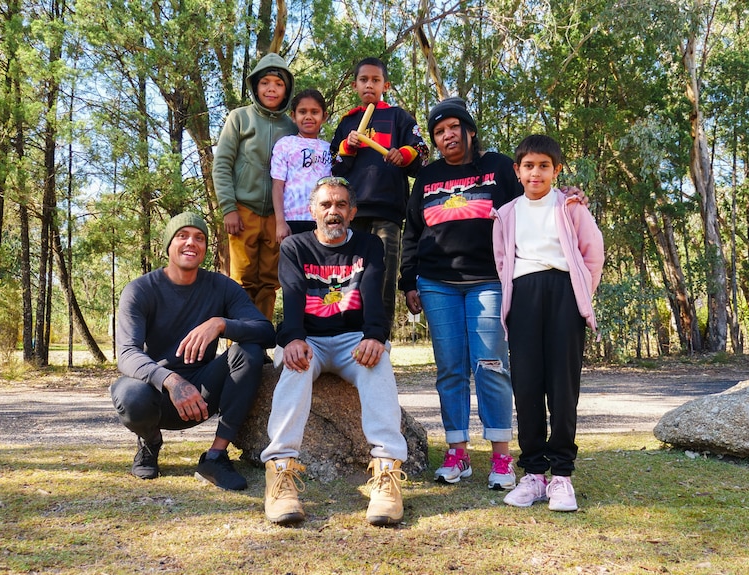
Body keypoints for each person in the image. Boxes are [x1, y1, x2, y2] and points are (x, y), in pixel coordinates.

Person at [260, 177, 408, 527]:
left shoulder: (370, 245)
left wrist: (375, 336)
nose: (333, 211)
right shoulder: (295, 247)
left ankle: (387, 475)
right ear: (312, 211)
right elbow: (292, 297)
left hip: (352, 340)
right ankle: (280, 474)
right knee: (295, 369)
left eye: (341, 204)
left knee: (377, 365)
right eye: (325, 204)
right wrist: (293, 338)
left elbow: (376, 295)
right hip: (308, 339)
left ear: (352, 212)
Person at [399, 97, 519, 490]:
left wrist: (565, 198)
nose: (447, 135)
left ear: (469, 130)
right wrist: (408, 280)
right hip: (436, 284)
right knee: (450, 368)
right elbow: (412, 232)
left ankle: (502, 457)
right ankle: (458, 452)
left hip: (488, 280)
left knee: (490, 363)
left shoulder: (498, 167)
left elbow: (527, 206)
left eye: (453, 127)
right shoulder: (428, 176)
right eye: (438, 131)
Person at [111, 212, 276, 491]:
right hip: (158, 395)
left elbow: (266, 331)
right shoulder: (140, 290)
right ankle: (150, 443)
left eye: (199, 238)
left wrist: (221, 324)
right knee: (129, 394)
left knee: (250, 351)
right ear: (168, 245)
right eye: (182, 236)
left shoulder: (221, 287)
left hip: (204, 393)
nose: (191, 242)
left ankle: (215, 456)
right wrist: (170, 380)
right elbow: (127, 353)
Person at [492, 135, 604, 511]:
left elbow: (592, 253)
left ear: (557, 170)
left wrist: (579, 295)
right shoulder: (507, 213)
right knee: (526, 385)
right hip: (523, 297)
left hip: (564, 297)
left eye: (544, 166)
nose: (535, 173)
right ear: (517, 171)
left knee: (562, 385)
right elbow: (503, 261)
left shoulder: (570, 207)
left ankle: (562, 477)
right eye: (528, 166)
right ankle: (534, 474)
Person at [330, 57, 428, 336]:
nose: (369, 85)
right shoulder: (347, 122)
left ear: (386, 85)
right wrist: (346, 149)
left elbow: (420, 152)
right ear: (355, 85)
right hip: (351, 212)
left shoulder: (399, 117)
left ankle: (379, 338)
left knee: (382, 276)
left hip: (388, 211)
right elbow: (333, 166)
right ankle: (347, 336)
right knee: (348, 275)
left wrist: (404, 154)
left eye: (375, 80)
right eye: (364, 80)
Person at [213, 52, 296, 322]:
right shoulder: (239, 118)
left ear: (286, 90)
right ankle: (237, 344)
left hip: (277, 215)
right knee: (241, 279)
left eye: (278, 83)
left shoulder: (291, 127)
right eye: (265, 83)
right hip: (243, 210)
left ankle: (260, 342)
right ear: (255, 86)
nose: (271, 88)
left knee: (270, 280)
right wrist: (228, 208)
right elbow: (222, 164)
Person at [271, 88, 332, 242]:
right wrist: (280, 222)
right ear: (293, 116)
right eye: (302, 112)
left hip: (322, 220)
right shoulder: (285, 144)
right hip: (292, 220)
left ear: (324, 116)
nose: (308, 117)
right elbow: (277, 186)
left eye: (314, 112)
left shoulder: (329, 148)